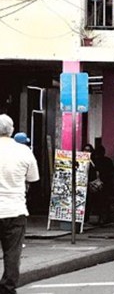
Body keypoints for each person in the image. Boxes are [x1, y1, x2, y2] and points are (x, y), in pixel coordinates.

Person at [0, 114, 39, 294]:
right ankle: (8, 288)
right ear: (12, 130)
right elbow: (33, 178)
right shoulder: (24, 151)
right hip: (15, 209)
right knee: (12, 253)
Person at [89, 145, 114, 225]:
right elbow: (112, 172)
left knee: (98, 202)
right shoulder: (107, 160)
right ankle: (105, 218)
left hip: (96, 184)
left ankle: (101, 218)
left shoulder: (94, 161)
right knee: (105, 202)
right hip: (106, 184)